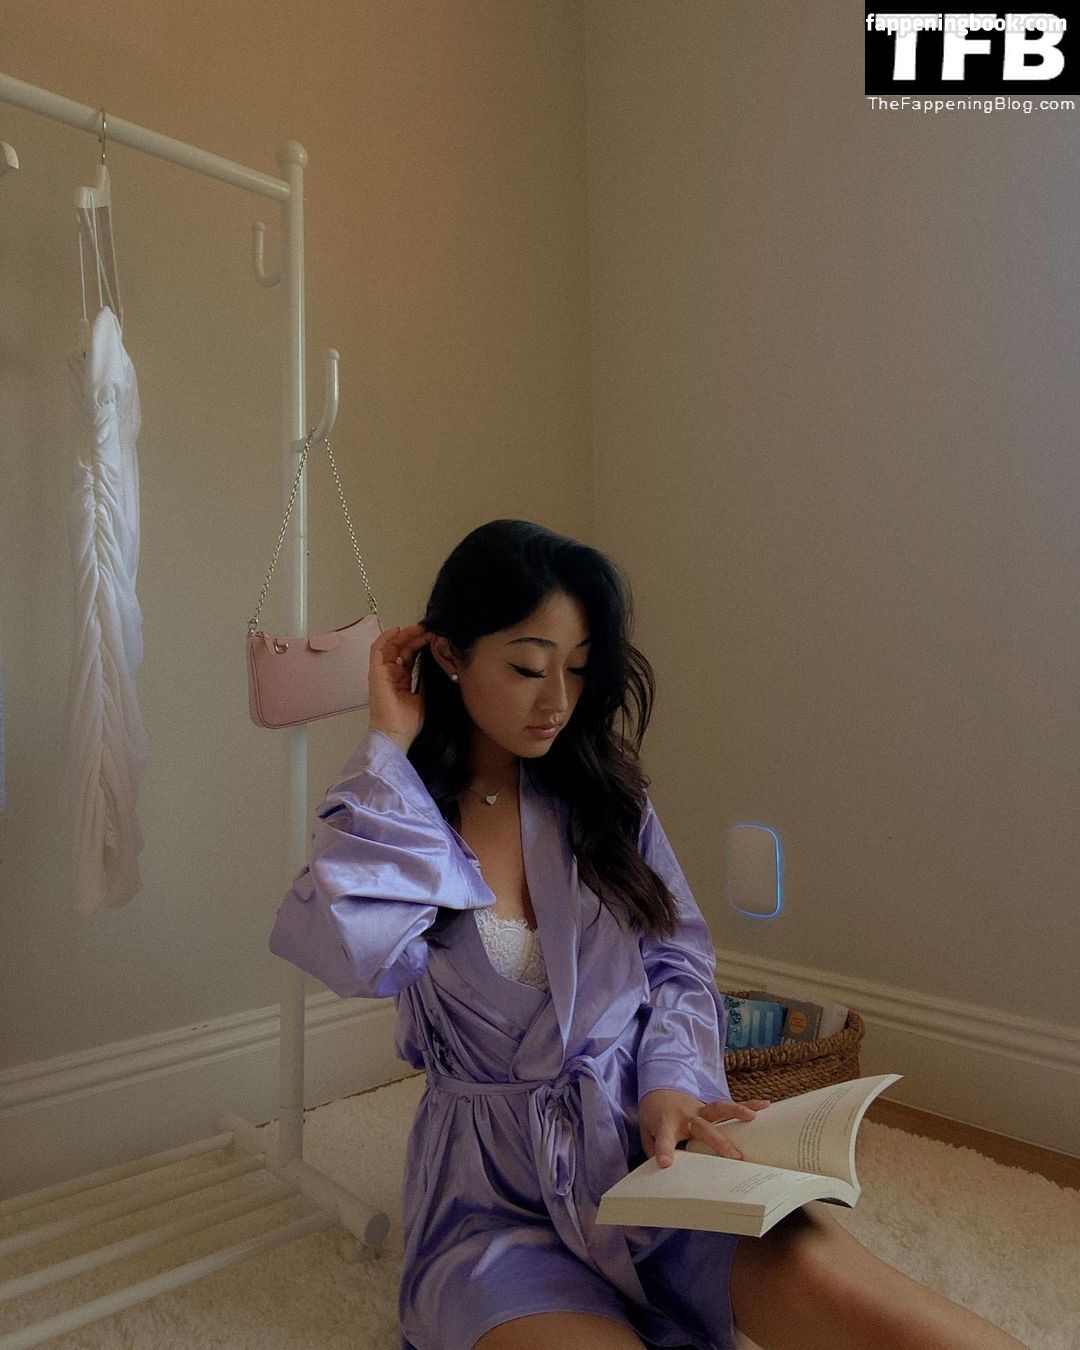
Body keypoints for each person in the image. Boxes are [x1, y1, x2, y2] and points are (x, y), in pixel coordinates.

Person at [268, 520, 1025, 1350]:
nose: (558, 701)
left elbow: (676, 957)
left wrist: (672, 1082)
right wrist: (387, 743)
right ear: (449, 655)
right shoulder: (402, 815)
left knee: (867, 1305)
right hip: (494, 1205)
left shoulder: (603, 799)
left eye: (578, 668)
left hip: (646, 1149)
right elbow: (352, 950)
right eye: (528, 668)